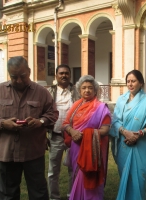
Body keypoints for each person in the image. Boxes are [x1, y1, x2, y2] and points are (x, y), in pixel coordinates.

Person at [0, 56, 58, 200]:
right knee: (7, 193)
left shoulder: (41, 92)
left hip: (33, 152)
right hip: (7, 152)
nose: (19, 80)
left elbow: (52, 113)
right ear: (9, 74)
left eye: (22, 76)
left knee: (38, 192)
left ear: (29, 71)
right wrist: (3, 123)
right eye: (14, 77)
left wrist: (40, 121)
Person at [110, 70, 146, 200]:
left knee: (140, 177)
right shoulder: (121, 100)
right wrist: (125, 132)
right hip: (124, 144)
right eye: (128, 81)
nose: (130, 84)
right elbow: (115, 121)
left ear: (141, 83)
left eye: (133, 81)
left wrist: (140, 133)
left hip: (141, 144)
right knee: (125, 176)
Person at [62, 75, 111, 200]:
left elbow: (105, 129)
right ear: (79, 91)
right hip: (76, 148)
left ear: (95, 90)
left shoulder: (101, 107)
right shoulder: (75, 106)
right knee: (77, 175)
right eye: (84, 88)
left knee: (90, 177)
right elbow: (66, 124)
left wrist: (86, 135)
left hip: (92, 150)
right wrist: (73, 132)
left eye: (90, 88)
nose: (87, 90)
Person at [47, 64, 79, 200]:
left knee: (74, 169)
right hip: (56, 137)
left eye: (66, 73)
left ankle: (71, 195)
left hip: (73, 137)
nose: (64, 75)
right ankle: (54, 197)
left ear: (70, 75)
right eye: (61, 73)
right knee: (53, 170)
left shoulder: (76, 91)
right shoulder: (49, 92)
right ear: (56, 75)